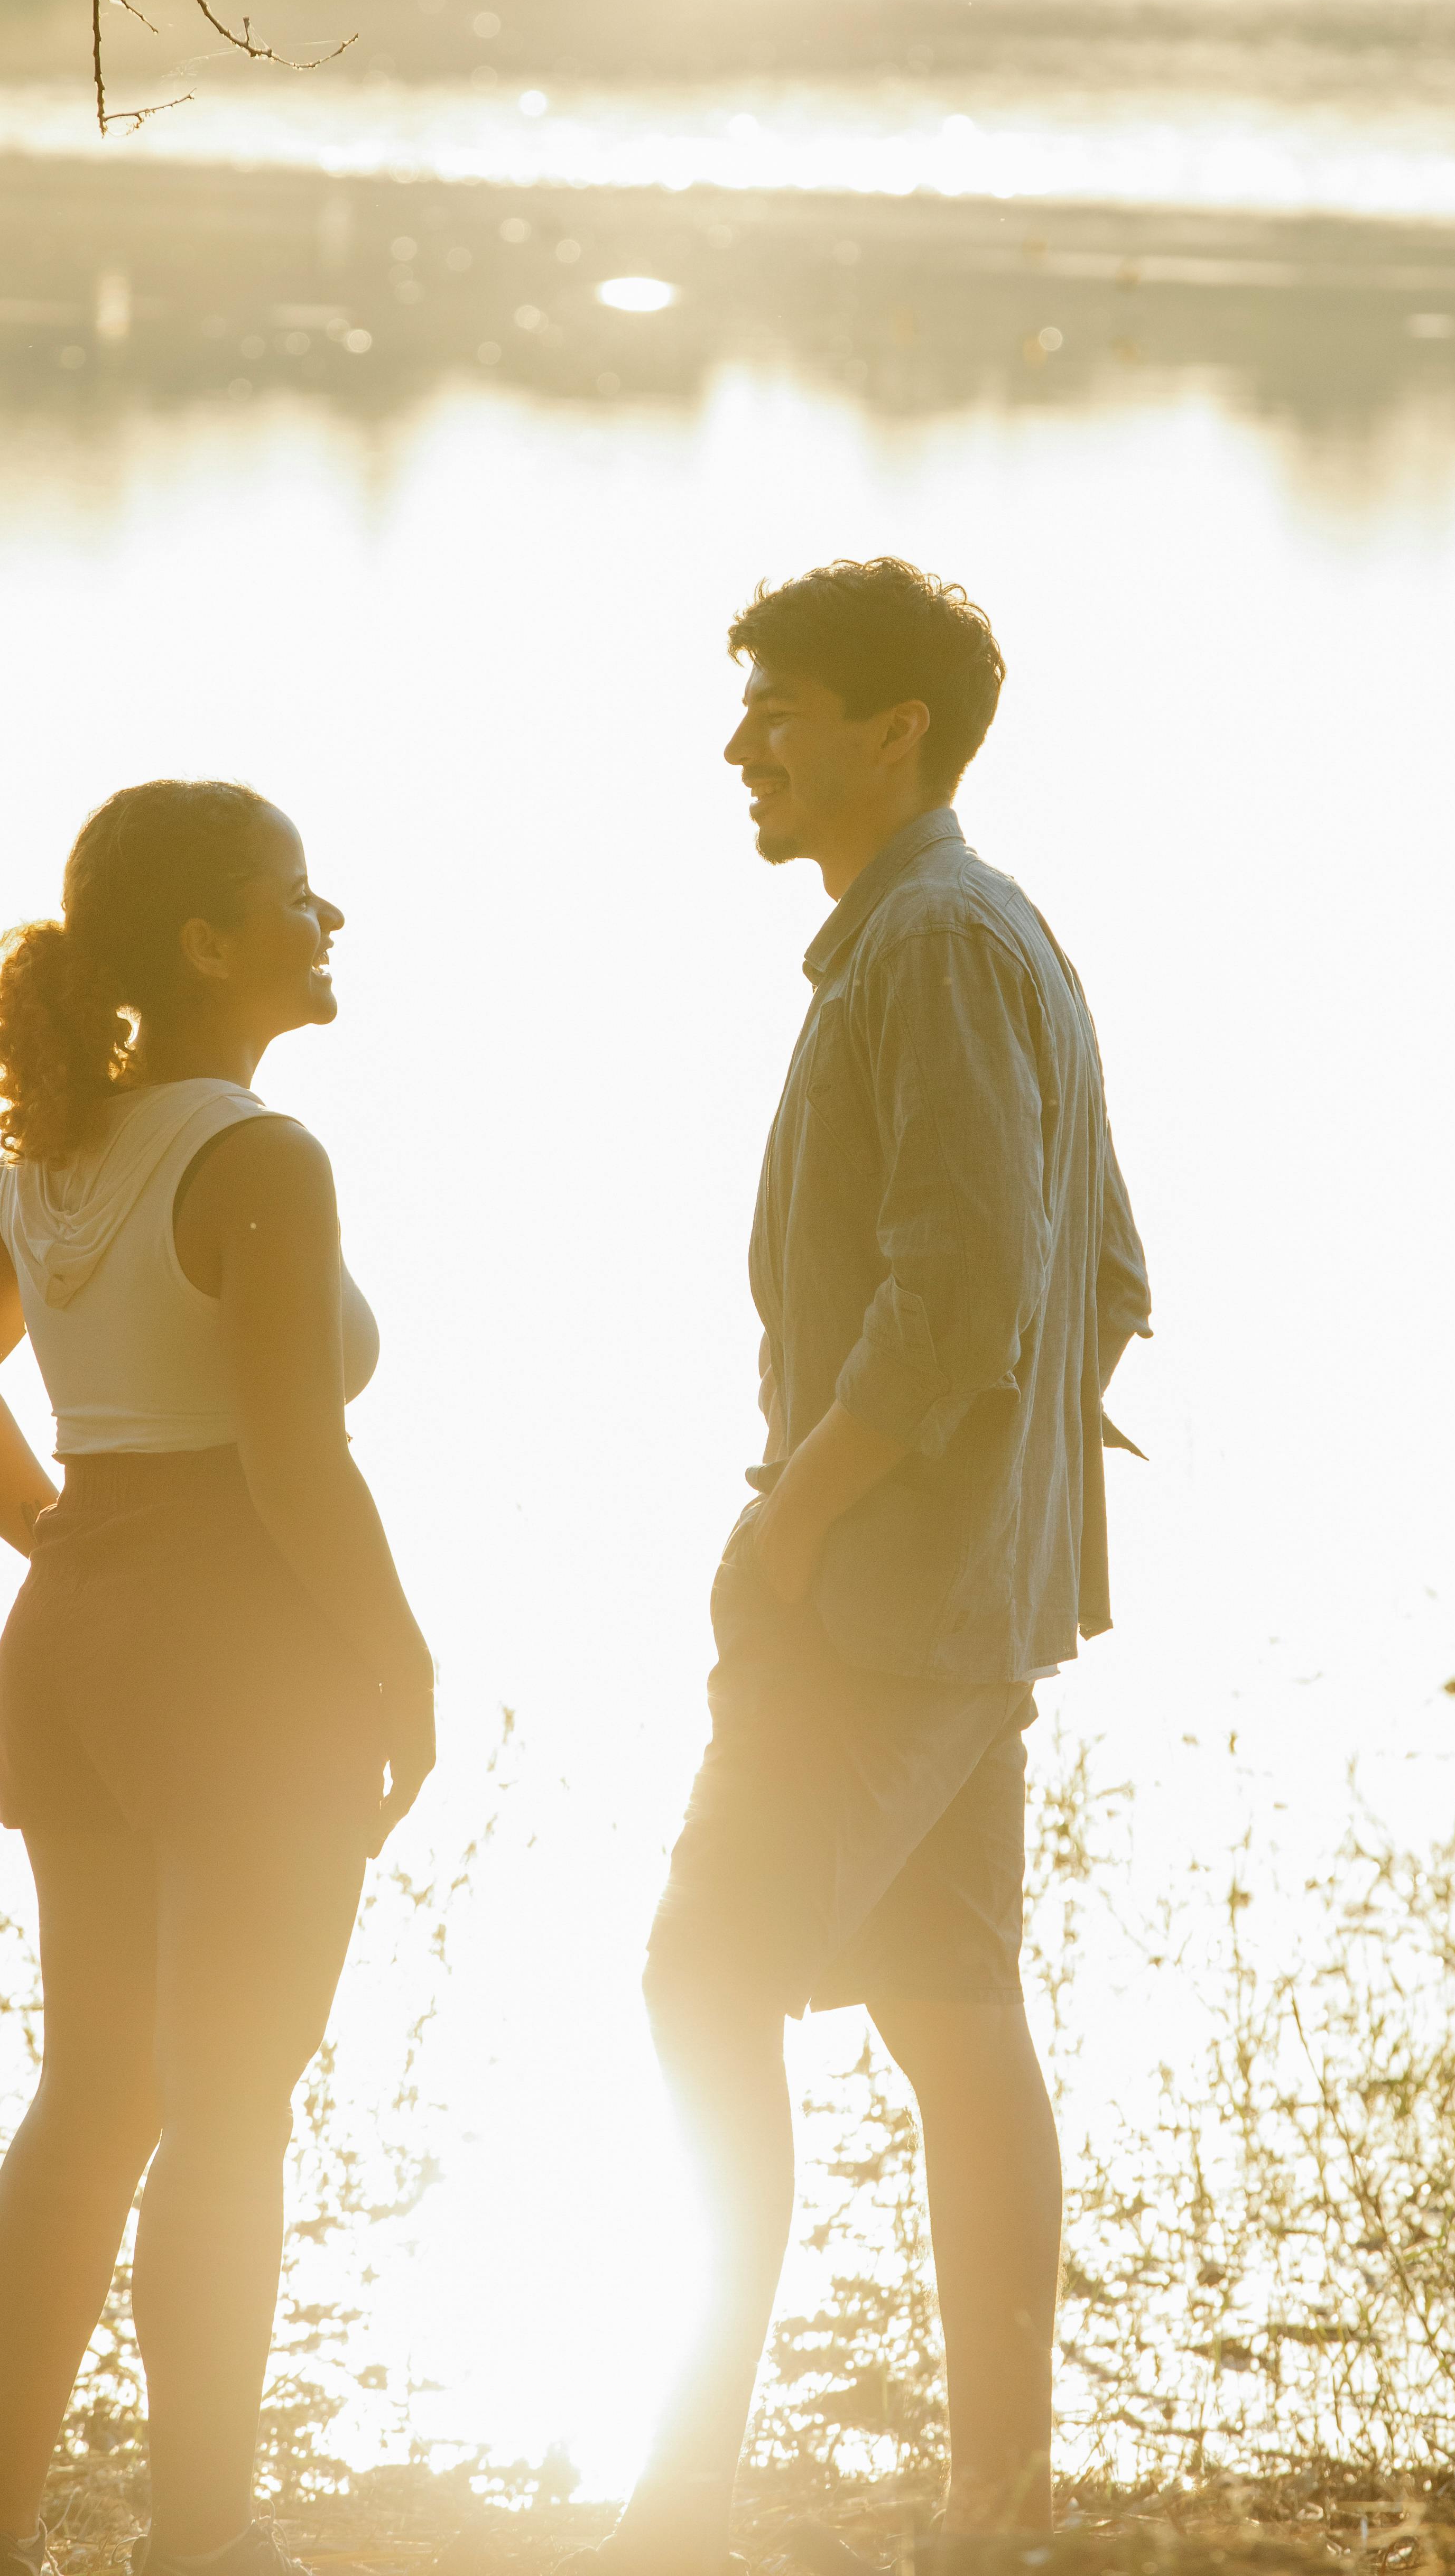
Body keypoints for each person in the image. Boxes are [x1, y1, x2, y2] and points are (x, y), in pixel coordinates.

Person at [605, 560, 1152, 2576]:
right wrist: (990, 1534)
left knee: (697, 1990)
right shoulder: (975, 934)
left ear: (892, 731)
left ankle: (676, 2510)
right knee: (951, 2009)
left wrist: (800, 1517)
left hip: (879, 1609)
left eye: (777, 706)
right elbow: (1109, 1278)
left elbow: (966, 1302)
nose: (740, 744)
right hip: (959, 1601)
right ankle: (996, 2512)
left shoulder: (932, 945)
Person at [0, 779, 435, 2576]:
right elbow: (290, 1452)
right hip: (236, 1650)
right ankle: (203, 2539)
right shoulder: (258, 1157)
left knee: (95, 2087)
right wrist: (400, 1655)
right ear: (207, 944)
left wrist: (58, 1528)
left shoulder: (54, 1154)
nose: (326, 917)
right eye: (294, 894)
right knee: (228, 2102)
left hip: (75, 1640)